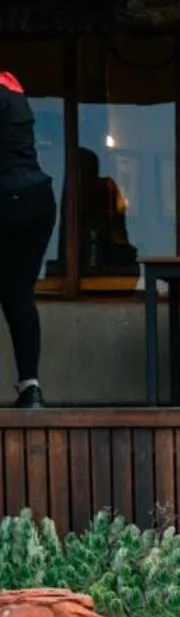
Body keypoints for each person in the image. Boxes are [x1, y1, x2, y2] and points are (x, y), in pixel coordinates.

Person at [0, 70, 56, 408]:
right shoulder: (12, 87)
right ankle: (30, 387)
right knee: (18, 295)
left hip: (6, 197)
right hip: (37, 198)